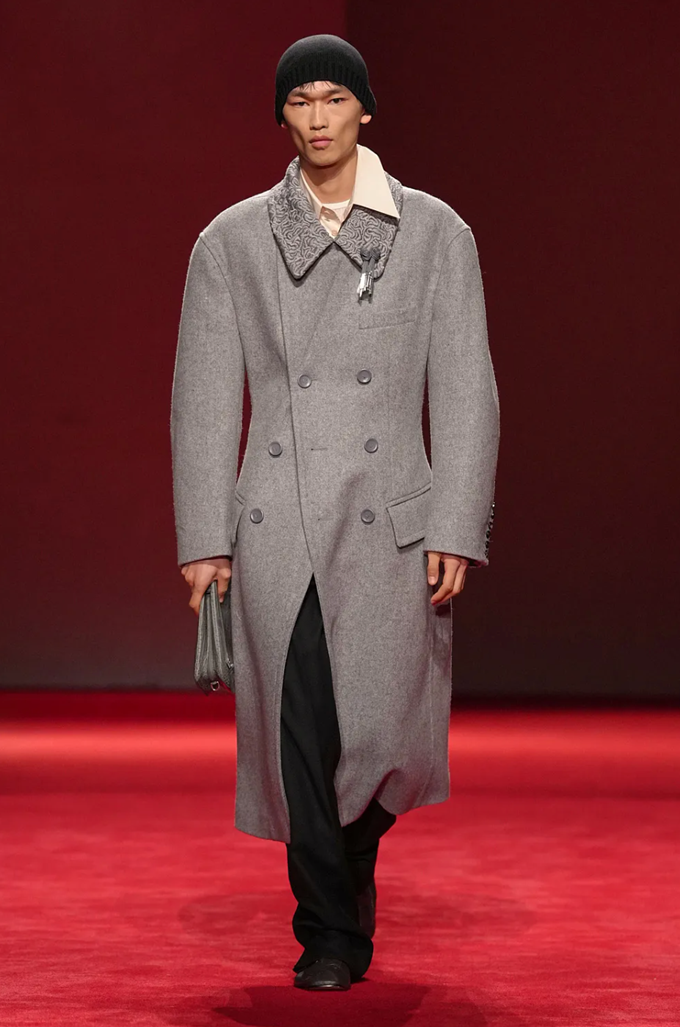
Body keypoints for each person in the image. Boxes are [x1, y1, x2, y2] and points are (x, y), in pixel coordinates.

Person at [170, 33, 500, 991]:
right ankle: (327, 929)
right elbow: (203, 396)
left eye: (334, 98)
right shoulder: (233, 241)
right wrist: (203, 539)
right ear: (282, 115)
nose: (317, 118)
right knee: (301, 728)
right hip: (276, 519)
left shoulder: (435, 233)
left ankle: (351, 864)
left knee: (384, 733)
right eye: (299, 100)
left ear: (365, 109)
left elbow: (466, 387)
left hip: (392, 518)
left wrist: (457, 521)